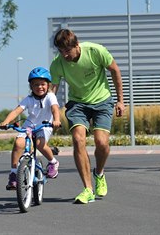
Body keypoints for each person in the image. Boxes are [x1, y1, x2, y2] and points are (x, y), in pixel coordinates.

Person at [49, 29, 125, 204]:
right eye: (60, 51)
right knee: (78, 139)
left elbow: (115, 71)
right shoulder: (57, 63)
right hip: (78, 104)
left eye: (67, 50)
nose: (64, 55)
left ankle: (99, 172)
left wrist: (120, 101)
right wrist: (50, 113)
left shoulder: (95, 51)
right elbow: (53, 89)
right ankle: (88, 189)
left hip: (102, 101)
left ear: (77, 45)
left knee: (102, 143)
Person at [0, 67, 62, 190]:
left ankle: (53, 162)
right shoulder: (28, 99)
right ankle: (14, 173)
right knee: (18, 144)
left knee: (39, 144)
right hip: (29, 126)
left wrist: (56, 120)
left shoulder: (50, 97)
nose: (39, 87)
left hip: (45, 125)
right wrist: (5, 122)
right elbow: (17, 111)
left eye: (43, 84)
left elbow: (55, 109)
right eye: (35, 85)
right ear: (31, 86)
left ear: (48, 85)